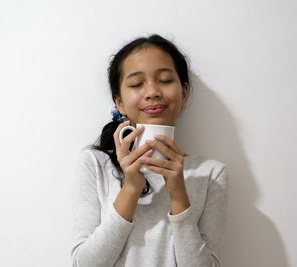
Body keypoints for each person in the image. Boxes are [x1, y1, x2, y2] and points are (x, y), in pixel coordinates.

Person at [71, 34, 228, 267]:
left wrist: (178, 195)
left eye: (164, 80)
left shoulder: (211, 174)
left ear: (184, 92)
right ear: (119, 102)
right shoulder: (95, 164)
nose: (152, 91)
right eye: (136, 84)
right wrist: (132, 186)